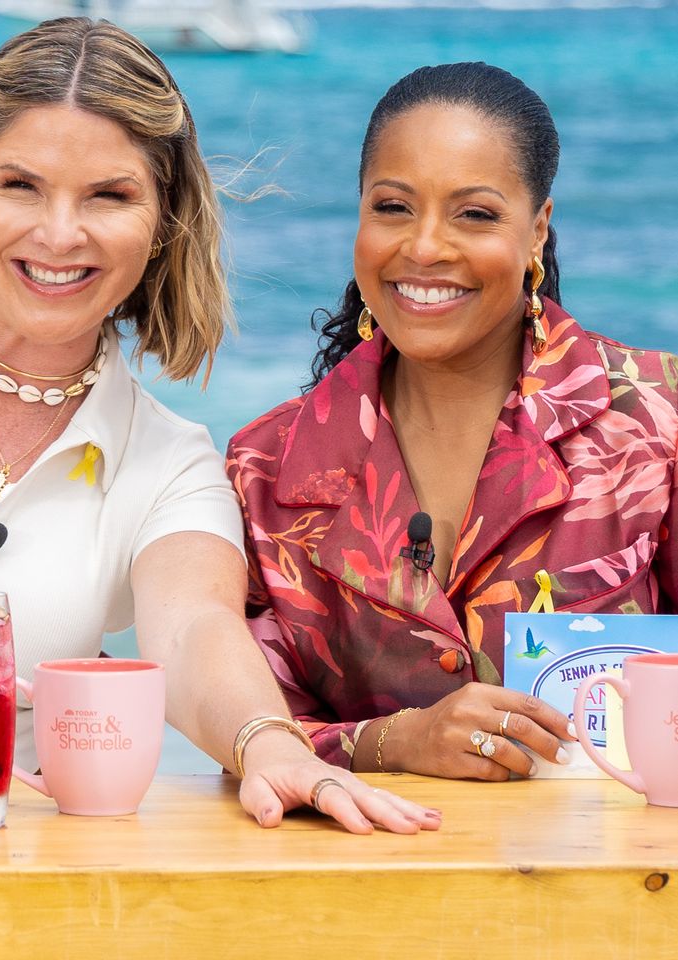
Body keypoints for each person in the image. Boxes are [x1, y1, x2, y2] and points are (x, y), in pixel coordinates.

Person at [0, 18, 439, 835]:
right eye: (19, 185)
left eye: (109, 195)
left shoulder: (168, 462)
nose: (59, 234)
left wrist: (273, 748)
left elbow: (195, 632)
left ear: (164, 222)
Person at [228, 62, 678, 781]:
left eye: (474, 213)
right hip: (366, 885)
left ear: (536, 230)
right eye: (392, 208)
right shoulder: (264, 468)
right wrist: (396, 742)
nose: (425, 247)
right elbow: (248, 736)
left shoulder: (655, 420)